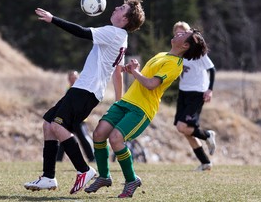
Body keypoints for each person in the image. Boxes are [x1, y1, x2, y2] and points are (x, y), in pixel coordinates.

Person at [24, 0, 145, 194]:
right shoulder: (121, 37)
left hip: (86, 91)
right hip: (83, 89)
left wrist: (53, 19)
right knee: (48, 124)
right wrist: (119, 100)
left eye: (121, 8)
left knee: (57, 125)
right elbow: (117, 71)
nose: (115, 7)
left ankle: (84, 169)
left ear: (125, 19)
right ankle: (48, 177)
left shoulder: (114, 33)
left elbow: (81, 32)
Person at [84, 28, 209, 198]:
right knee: (98, 134)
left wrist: (135, 72)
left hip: (141, 109)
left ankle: (131, 180)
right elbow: (148, 77)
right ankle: (104, 177)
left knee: (115, 139)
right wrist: (135, 69)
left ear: (185, 45)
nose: (179, 33)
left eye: (183, 35)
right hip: (126, 102)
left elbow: (151, 84)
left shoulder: (175, 65)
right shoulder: (163, 55)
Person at [172, 21, 216, 171]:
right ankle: (205, 163)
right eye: (177, 33)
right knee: (184, 130)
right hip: (183, 92)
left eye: (183, 33)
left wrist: (209, 90)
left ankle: (207, 135)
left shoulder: (197, 52)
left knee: (183, 126)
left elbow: (212, 69)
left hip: (197, 92)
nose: (180, 35)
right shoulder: (177, 52)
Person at [56, 70, 95, 162]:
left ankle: (92, 158)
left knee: (83, 139)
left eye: (75, 77)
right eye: (71, 78)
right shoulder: (69, 89)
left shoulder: (82, 88)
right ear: (68, 79)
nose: (73, 79)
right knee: (64, 138)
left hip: (79, 120)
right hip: (70, 120)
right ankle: (58, 159)